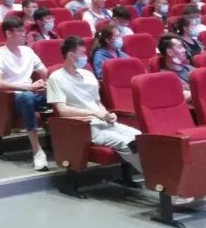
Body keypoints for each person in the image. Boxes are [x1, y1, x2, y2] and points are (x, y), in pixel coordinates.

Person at [47, 36, 142, 174]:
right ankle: (154, 178)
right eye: (82, 53)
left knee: (140, 138)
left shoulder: (88, 75)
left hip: (104, 122)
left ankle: (157, 176)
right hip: (84, 127)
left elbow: (97, 103)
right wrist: (93, 113)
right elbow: (63, 110)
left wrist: (107, 114)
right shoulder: (56, 78)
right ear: (70, 56)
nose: (85, 57)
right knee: (126, 143)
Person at [0, 17, 49, 171]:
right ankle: (37, 150)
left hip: (33, 92)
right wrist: (28, 87)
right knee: (27, 97)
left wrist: (49, 84)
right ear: (8, 33)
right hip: (14, 97)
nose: (24, 34)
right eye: (20, 31)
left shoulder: (28, 51)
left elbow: (45, 72)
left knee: (58, 92)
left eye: (24, 30)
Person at [157, 34, 193, 101]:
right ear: (169, 52)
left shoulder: (190, 68)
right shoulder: (165, 76)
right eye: (180, 47)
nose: (184, 50)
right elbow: (180, 96)